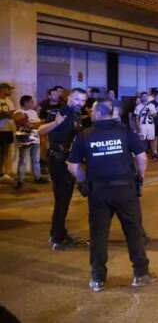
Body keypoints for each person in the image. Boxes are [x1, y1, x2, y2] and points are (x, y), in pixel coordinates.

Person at [67, 100, 157, 292]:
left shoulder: (84, 135)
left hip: (98, 192)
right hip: (125, 189)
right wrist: (140, 177)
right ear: (111, 113)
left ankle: (98, 279)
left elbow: (73, 166)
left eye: (92, 110)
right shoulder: (125, 131)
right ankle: (141, 274)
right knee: (134, 232)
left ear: (98, 113)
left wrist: (84, 181)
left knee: (98, 234)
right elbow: (141, 157)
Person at [38, 87, 87, 250]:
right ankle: (57, 238)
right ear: (69, 98)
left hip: (68, 160)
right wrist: (56, 123)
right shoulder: (59, 112)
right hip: (58, 160)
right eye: (78, 99)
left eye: (83, 100)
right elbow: (40, 130)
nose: (81, 103)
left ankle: (60, 233)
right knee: (61, 199)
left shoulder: (76, 115)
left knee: (65, 199)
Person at [14, 95, 46, 188]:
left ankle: (37, 177)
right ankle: (20, 180)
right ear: (25, 103)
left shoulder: (33, 112)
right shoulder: (18, 112)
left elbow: (38, 125)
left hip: (35, 138)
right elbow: (30, 125)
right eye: (31, 102)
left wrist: (35, 124)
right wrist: (35, 124)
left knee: (36, 159)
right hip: (24, 139)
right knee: (22, 159)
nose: (33, 103)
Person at [0, 83, 16, 182]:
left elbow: (13, 114)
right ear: (3, 89)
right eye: (9, 89)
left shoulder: (9, 101)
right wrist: (5, 114)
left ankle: (4, 173)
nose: (10, 91)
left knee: (6, 152)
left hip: (8, 129)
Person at [134, 92, 158, 159]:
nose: (144, 97)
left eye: (146, 96)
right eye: (143, 96)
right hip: (142, 126)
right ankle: (142, 154)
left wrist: (151, 113)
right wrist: (138, 127)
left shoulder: (152, 105)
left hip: (150, 125)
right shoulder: (138, 106)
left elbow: (155, 115)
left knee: (152, 139)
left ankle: (154, 153)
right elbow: (136, 118)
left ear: (147, 97)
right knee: (142, 140)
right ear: (141, 97)